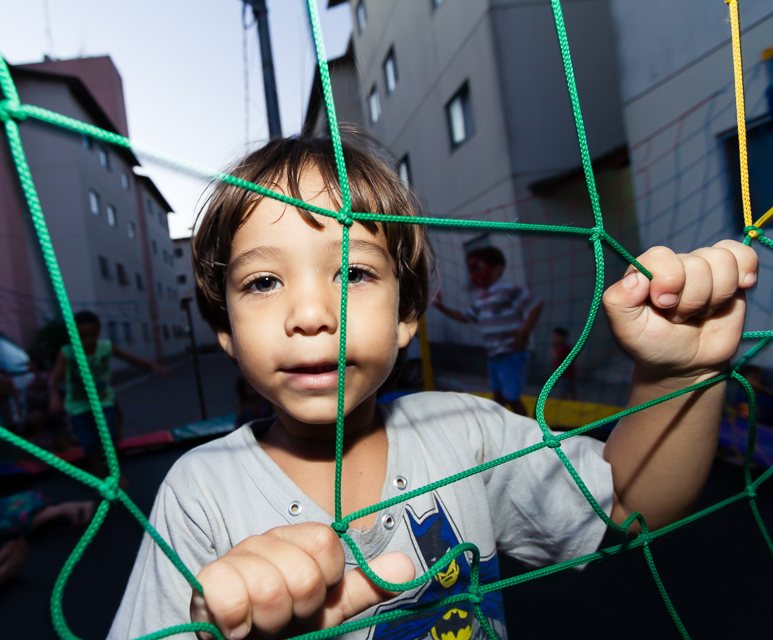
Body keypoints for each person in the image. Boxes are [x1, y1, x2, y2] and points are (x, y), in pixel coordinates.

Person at [105, 131, 758, 640]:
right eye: (263, 282)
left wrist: (681, 376)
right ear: (225, 327)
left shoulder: (465, 432)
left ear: (406, 315)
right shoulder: (201, 493)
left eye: (354, 273)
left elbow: (628, 509)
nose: (308, 315)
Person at [48, 311, 166, 479]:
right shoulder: (67, 352)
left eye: (92, 335)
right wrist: (54, 397)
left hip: (104, 401)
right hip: (78, 406)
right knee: (90, 445)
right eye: (83, 336)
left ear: (98, 333)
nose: (88, 340)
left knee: (111, 437)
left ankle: (114, 474)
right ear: (74, 335)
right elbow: (54, 380)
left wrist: (151, 364)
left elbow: (130, 358)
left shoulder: (106, 347)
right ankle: (101, 478)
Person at [432, 246, 543, 416]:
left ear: (497, 268)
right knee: (498, 395)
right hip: (494, 355)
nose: (475, 274)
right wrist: (441, 307)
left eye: (480, 268)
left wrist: (524, 331)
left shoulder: (506, 290)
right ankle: (498, 425)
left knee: (511, 397)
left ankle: (530, 428)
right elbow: (465, 316)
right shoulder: (483, 297)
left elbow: (535, 304)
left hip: (511, 354)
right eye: (472, 270)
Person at [550, 327, 577, 401]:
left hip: (565, 375)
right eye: (553, 337)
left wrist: (553, 349)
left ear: (563, 337)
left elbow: (557, 357)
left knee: (564, 391)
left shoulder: (564, 347)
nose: (554, 339)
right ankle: (574, 401)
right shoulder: (564, 347)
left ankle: (564, 403)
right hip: (566, 374)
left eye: (556, 337)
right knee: (570, 390)